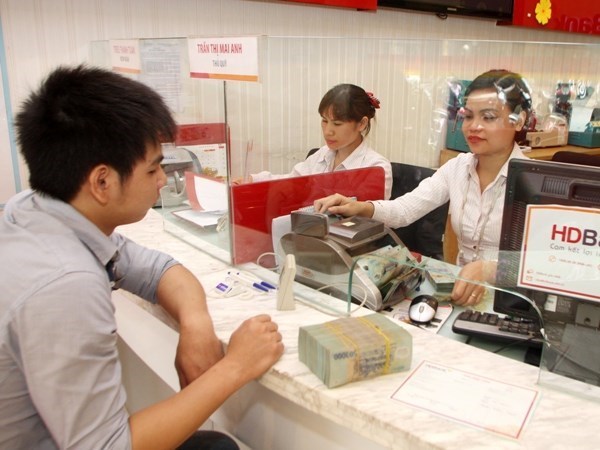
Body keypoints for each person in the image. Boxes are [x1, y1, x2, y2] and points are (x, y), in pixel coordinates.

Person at [0, 65, 284, 450]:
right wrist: (236, 366)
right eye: (153, 169)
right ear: (102, 182)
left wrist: (195, 322)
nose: (163, 181)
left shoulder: (33, 210)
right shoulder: (65, 284)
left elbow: (159, 269)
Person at [314, 69, 534, 306]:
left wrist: (489, 269)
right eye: (468, 116)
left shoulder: (533, 181)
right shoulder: (457, 168)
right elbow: (405, 210)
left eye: (488, 117)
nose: (474, 126)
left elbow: (550, 263)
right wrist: (361, 207)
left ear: (519, 120)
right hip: (461, 296)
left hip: (514, 302)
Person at [248, 83, 393, 200]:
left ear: (361, 124)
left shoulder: (377, 167)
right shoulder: (323, 154)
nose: (328, 131)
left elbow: (370, 219)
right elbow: (292, 181)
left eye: (337, 124)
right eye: (324, 121)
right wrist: (252, 180)